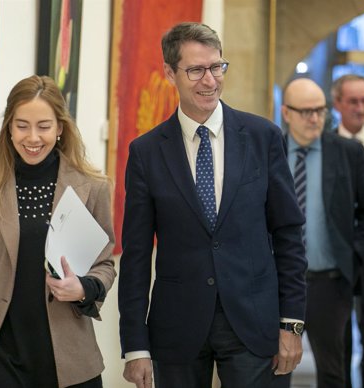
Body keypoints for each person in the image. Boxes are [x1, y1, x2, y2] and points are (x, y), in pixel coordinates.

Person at [118, 22, 307, 388]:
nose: (210, 81)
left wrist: (292, 322)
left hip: (255, 324)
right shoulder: (146, 152)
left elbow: (288, 235)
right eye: (196, 70)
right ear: (170, 73)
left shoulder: (262, 137)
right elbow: (137, 255)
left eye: (217, 67)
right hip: (177, 329)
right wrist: (135, 346)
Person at [0, 75, 116, 388]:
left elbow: (104, 264)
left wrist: (84, 289)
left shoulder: (92, 188)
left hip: (69, 357)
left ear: (60, 128)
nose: (32, 137)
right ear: (9, 128)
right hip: (0, 356)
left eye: (44, 126)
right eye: (22, 125)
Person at [282, 78, 364, 388]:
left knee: (333, 371)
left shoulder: (347, 151)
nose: (314, 119)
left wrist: (354, 254)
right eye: (306, 111)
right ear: (286, 113)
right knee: (274, 366)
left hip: (330, 283)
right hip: (277, 284)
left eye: (320, 111)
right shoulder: (272, 151)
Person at [331, 74, 364, 388]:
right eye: (353, 101)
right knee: (338, 341)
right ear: (338, 103)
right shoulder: (323, 145)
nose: (361, 108)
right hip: (335, 261)